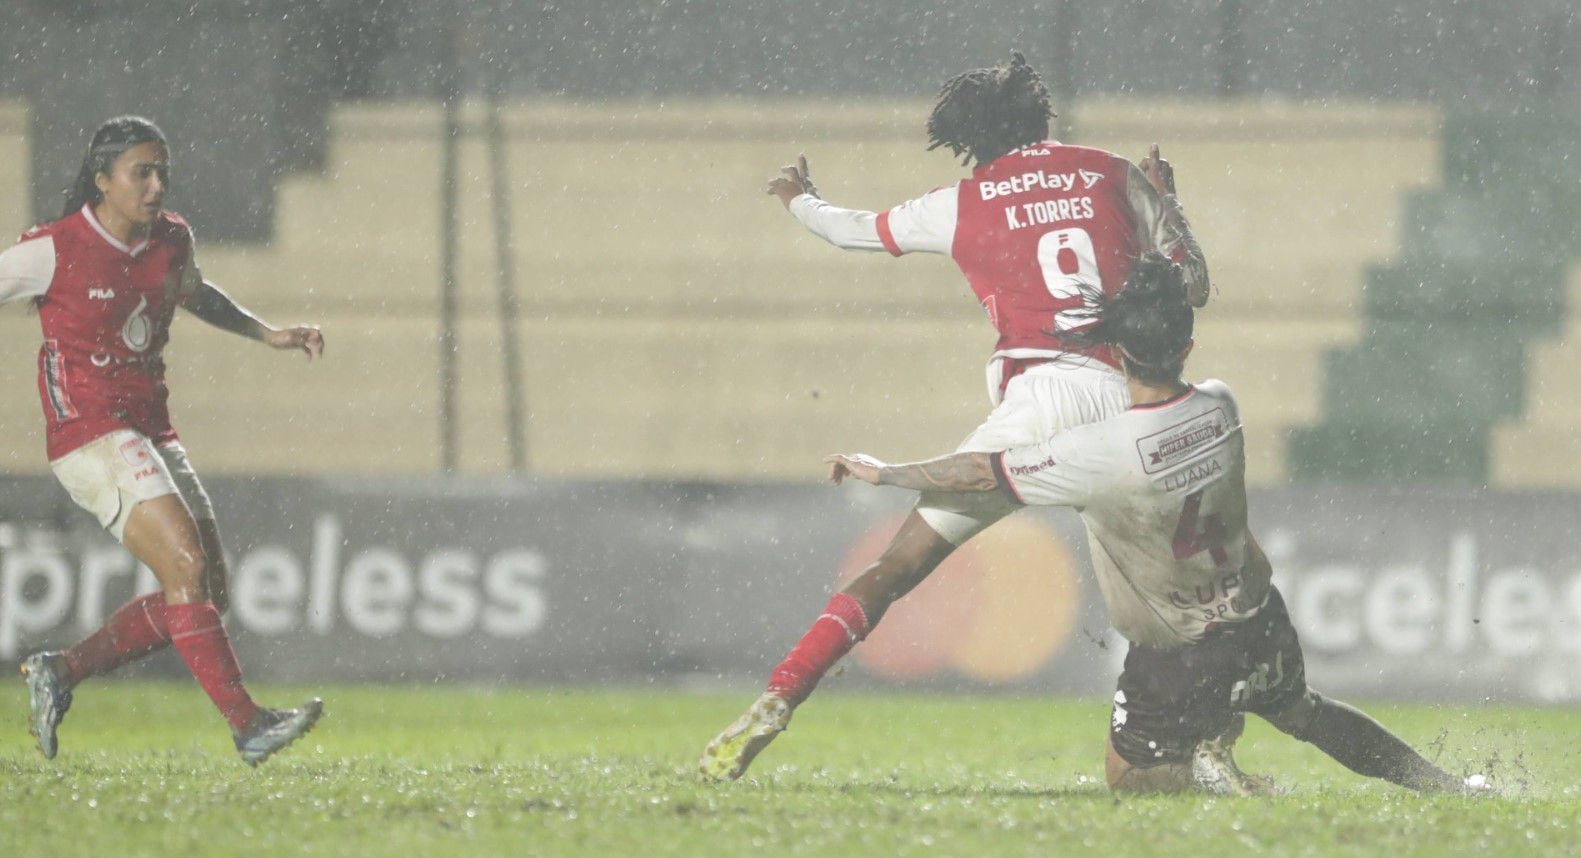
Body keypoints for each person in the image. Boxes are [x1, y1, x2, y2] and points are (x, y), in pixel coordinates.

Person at [700, 52, 1209, 780]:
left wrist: (798, 198)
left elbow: (851, 230)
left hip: (1035, 403)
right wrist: (1170, 201)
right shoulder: (1112, 171)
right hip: (1130, 405)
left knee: (894, 568)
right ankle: (1207, 743)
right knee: (1190, 605)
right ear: (1041, 117)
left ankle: (779, 697)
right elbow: (1190, 284)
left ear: (968, 135)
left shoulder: (962, 202)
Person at [807, 253, 1473, 794]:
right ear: (1185, 342)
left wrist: (886, 471)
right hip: (1254, 615)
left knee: (1131, 783)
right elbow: (1175, 308)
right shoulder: (1219, 407)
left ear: (1115, 353)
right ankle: (1443, 786)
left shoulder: (1096, 454)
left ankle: (1211, 776)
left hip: (1177, 652)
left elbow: (981, 472)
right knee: (1303, 713)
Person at [1, 116, 324, 765]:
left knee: (208, 588)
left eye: (161, 173)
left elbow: (195, 293)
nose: (155, 186)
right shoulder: (53, 249)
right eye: (140, 172)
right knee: (185, 566)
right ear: (102, 180)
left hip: (151, 429)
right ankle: (247, 725)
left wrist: (268, 333)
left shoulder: (171, 239)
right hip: (88, 435)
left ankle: (60, 671)